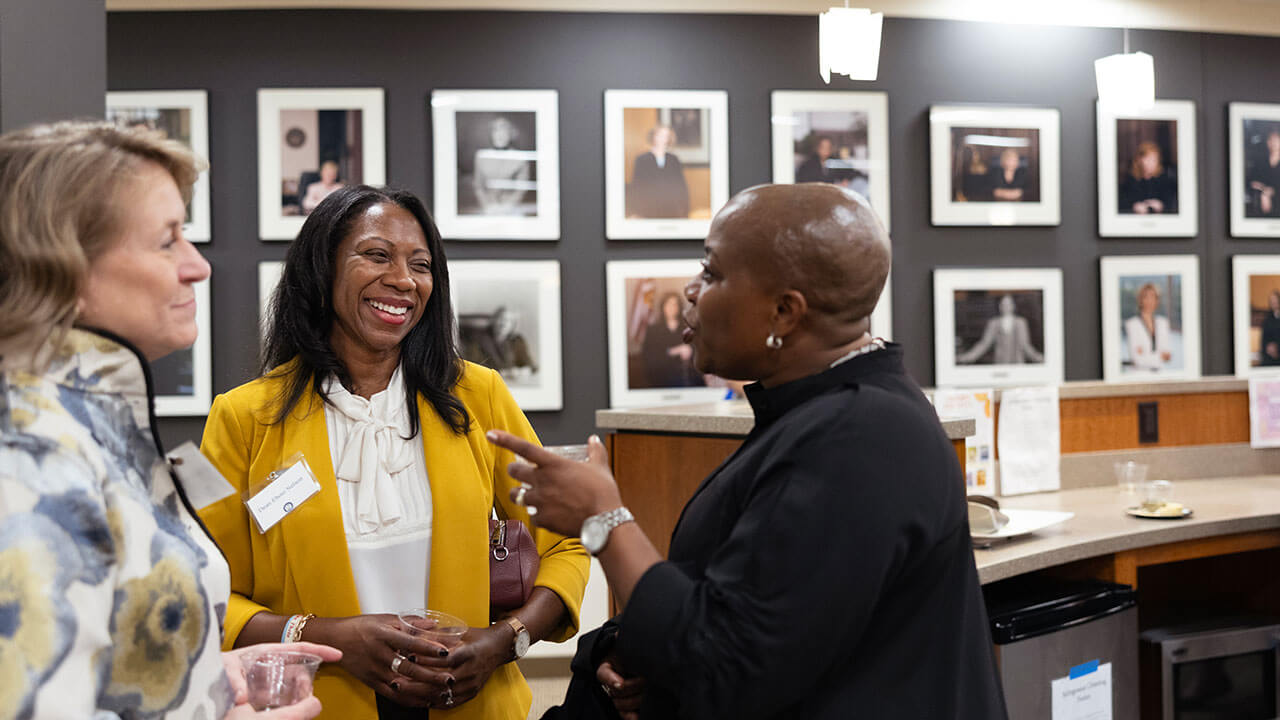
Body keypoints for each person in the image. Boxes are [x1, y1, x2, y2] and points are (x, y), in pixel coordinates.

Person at [489, 183, 1008, 719]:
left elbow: (730, 667)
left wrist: (603, 520)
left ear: (784, 312)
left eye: (711, 273)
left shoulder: (860, 436)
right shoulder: (824, 413)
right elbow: (776, 615)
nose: (691, 290)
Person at [197, 184, 589, 719]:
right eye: (376, 255)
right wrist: (327, 636)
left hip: (470, 704)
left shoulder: (479, 395)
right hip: (316, 706)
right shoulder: (245, 418)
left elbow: (565, 545)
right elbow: (208, 594)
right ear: (322, 269)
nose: (403, 280)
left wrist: (504, 641)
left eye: (420, 264)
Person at [0, 120, 339, 719]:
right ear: (61, 265)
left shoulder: (88, 425)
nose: (198, 266)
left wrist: (196, 674)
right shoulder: (29, 457)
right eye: (167, 240)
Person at [471, 116, 534, 216]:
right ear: (491, 134)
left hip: (511, 209)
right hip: (488, 209)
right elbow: (478, 186)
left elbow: (521, 187)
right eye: (496, 131)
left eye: (504, 132)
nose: (500, 135)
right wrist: (487, 206)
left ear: (510, 135)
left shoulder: (520, 158)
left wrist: (508, 206)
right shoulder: (481, 156)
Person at [956, 294, 1044, 365]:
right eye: (1003, 304)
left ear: (1013, 306)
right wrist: (967, 357)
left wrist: (1038, 358)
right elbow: (984, 344)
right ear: (999, 306)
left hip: (1017, 365)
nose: (1006, 306)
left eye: (1008, 304)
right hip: (1000, 365)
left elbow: (1025, 345)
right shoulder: (994, 323)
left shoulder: (1020, 322)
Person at [638, 292, 702, 388]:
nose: (672, 308)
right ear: (663, 307)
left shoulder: (688, 329)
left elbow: (698, 354)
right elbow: (650, 358)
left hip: (688, 376)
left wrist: (690, 351)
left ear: (679, 307)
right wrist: (675, 351)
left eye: (675, 304)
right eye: (668, 304)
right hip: (662, 378)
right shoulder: (653, 330)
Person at [626, 124, 689, 219]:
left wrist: (685, 210)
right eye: (659, 135)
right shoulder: (642, 159)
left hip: (671, 209)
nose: (662, 139)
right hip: (648, 209)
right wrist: (635, 211)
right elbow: (637, 186)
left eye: (666, 136)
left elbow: (681, 187)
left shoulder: (674, 160)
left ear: (669, 139)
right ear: (653, 137)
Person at [461, 306, 538, 380]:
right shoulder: (478, 338)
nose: (503, 323)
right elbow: (473, 367)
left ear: (512, 325)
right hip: (488, 382)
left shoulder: (517, 341)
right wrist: (503, 373)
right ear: (493, 320)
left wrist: (524, 371)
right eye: (500, 319)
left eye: (508, 320)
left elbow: (531, 365)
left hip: (512, 384)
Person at [1125, 282, 1174, 371]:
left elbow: (1167, 356)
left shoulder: (1163, 323)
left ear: (1157, 301)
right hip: (1139, 376)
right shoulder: (1132, 324)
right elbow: (1137, 359)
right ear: (1140, 300)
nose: (1149, 301)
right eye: (1146, 297)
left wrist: (1145, 354)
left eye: (1153, 297)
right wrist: (1160, 356)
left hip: (1160, 374)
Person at [1119, 141, 1177, 215]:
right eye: (1147, 159)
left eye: (1153, 160)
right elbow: (1122, 204)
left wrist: (1161, 205)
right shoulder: (1130, 181)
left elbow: (1171, 203)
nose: (1150, 163)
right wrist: (1134, 206)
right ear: (1139, 160)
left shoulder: (1165, 180)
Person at [1247, 129, 1280, 217]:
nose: (1273, 143)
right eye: (1270, 140)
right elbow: (1252, 182)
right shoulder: (1260, 162)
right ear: (1267, 142)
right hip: (1260, 202)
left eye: (1276, 140)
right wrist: (1264, 191)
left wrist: (1272, 192)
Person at [1261, 290, 1280, 366]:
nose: (1273, 302)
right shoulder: (1267, 320)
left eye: (1275, 300)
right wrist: (1268, 347)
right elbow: (1264, 339)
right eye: (1271, 300)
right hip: (1269, 358)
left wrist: (1277, 348)